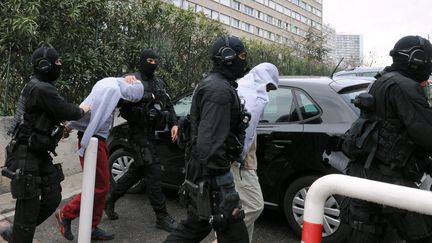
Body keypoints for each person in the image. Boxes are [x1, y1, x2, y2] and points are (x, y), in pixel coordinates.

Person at [342, 35, 432, 243]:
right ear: (417, 59)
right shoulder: (404, 86)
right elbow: (426, 133)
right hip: (388, 177)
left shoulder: (382, 80)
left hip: (366, 172)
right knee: (423, 234)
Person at [164, 36, 250, 243]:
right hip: (213, 175)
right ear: (227, 57)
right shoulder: (218, 90)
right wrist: (222, 187)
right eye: (242, 55)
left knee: (195, 226)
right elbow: (209, 145)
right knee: (234, 234)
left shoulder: (217, 84)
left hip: (205, 172)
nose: (245, 61)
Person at [0, 47, 89, 242]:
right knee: (28, 210)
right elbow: (69, 111)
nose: (60, 66)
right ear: (44, 65)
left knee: (53, 198)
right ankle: (19, 235)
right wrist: (84, 108)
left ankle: (17, 233)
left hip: (39, 153)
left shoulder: (40, 87)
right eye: (57, 62)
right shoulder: (41, 88)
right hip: (25, 156)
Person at [54, 77, 144, 241]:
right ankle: (66, 214)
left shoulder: (110, 83)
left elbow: (88, 108)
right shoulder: (113, 90)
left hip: (95, 140)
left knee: (101, 185)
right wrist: (86, 143)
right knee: (98, 186)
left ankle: (92, 226)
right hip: (93, 141)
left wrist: (70, 125)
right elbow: (96, 116)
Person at [104, 48, 179, 232]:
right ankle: (161, 216)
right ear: (142, 61)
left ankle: (110, 198)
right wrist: (125, 81)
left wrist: (175, 123)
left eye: (155, 61)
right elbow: (116, 99)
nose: (153, 64)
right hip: (137, 134)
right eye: (149, 61)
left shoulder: (159, 83)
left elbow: (168, 104)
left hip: (153, 133)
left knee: (137, 171)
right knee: (154, 171)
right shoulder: (132, 80)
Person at [232, 62, 279, 242]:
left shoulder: (243, 88)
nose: (268, 91)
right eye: (269, 86)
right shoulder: (251, 94)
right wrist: (240, 158)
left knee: (238, 207)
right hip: (239, 161)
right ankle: (224, 238)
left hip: (245, 159)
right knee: (254, 205)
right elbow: (245, 132)